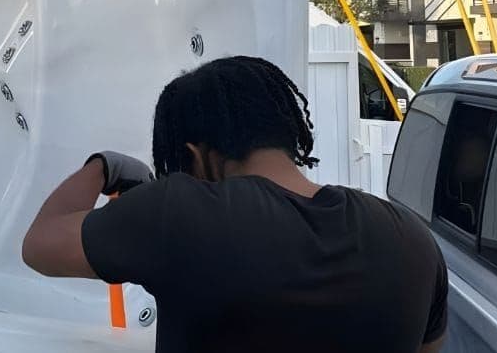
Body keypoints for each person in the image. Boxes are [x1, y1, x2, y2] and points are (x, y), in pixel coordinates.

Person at [22, 55, 447, 353]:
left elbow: (41, 243)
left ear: (195, 154)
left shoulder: (179, 212)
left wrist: (104, 168)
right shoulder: (411, 239)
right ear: (285, 131)